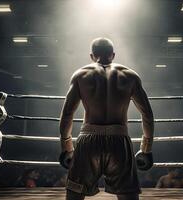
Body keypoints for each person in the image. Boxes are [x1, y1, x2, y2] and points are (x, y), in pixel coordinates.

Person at [59, 38, 155, 200]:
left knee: (74, 194)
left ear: (91, 55)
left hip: (88, 141)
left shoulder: (81, 75)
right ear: (113, 54)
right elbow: (147, 114)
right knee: (128, 195)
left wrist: (66, 148)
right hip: (119, 140)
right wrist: (146, 149)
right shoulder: (130, 76)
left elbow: (67, 114)